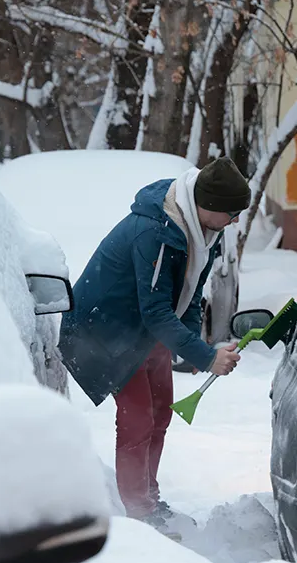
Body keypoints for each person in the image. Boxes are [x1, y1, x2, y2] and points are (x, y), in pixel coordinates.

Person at [59, 157, 251, 534]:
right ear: (206, 206)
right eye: (231, 213)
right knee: (138, 417)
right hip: (107, 330)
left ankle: (149, 497)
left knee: (161, 410)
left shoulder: (207, 234)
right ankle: (138, 512)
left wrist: (194, 343)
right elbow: (155, 310)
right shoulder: (155, 232)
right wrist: (207, 356)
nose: (235, 221)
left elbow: (191, 292)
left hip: (146, 329)